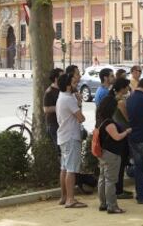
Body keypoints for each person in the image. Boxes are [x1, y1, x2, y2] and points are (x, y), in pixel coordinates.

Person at [96, 95, 132, 214]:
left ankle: (103, 203)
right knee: (111, 180)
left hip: (103, 153)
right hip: (112, 154)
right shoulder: (109, 123)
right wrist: (126, 132)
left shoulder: (101, 121)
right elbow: (117, 137)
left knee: (102, 178)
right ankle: (112, 206)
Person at [56, 73, 87, 208]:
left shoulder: (62, 96)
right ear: (68, 85)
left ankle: (64, 197)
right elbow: (81, 118)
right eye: (73, 82)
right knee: (71, 169)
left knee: (64, 168)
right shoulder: (69, 99)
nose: (76, 84)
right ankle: (70, 199)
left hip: (64, 136)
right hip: (71, 137)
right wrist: (79, 103)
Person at [109, 78, 133, 199]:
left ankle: (119, 188)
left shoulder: (115, 99)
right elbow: (128, 118)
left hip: (118, 131)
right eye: (127, 87)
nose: (128, 89)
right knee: (121, 162)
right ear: (122, 88)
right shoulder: (120, 102)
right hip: (122, 132)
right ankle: (118, 190)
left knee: (121, 162)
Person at [44, 68, 64, 146]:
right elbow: (46, 109)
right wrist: (60, 107)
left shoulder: (62, 90)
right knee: (60, 149)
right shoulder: (49, 92)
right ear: (56, 79)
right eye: (62, 76)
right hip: (54, 124)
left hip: (62, 123)